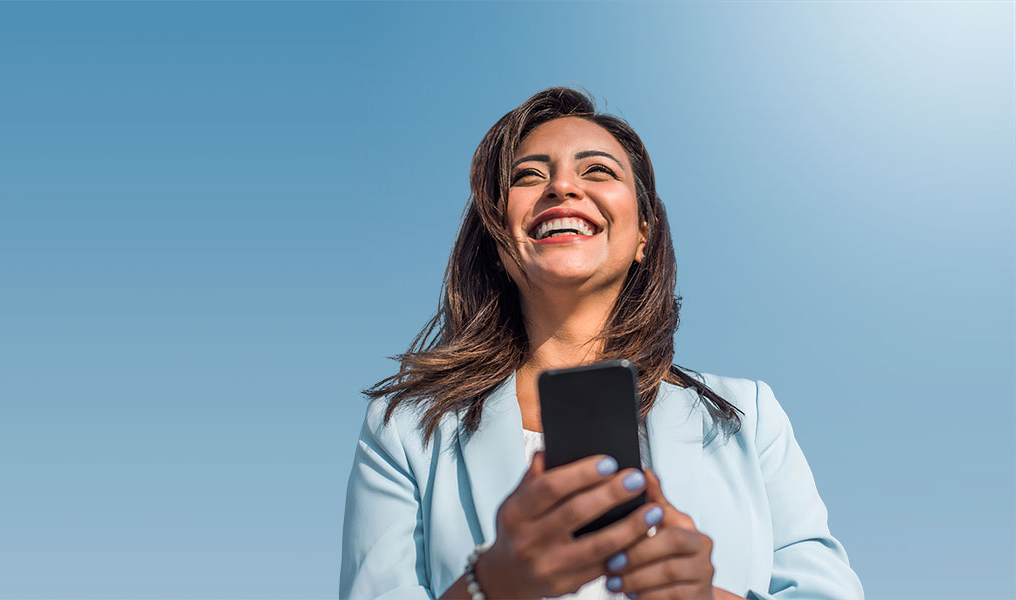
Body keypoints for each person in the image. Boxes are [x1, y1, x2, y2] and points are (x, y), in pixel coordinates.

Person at [339, 87, 864, 600]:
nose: (562, 188)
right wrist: (491, 586)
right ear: (499, 239)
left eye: (597, 171)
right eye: (529, 176)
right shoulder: (404, 432)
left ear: (643, 233)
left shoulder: (750, 419)